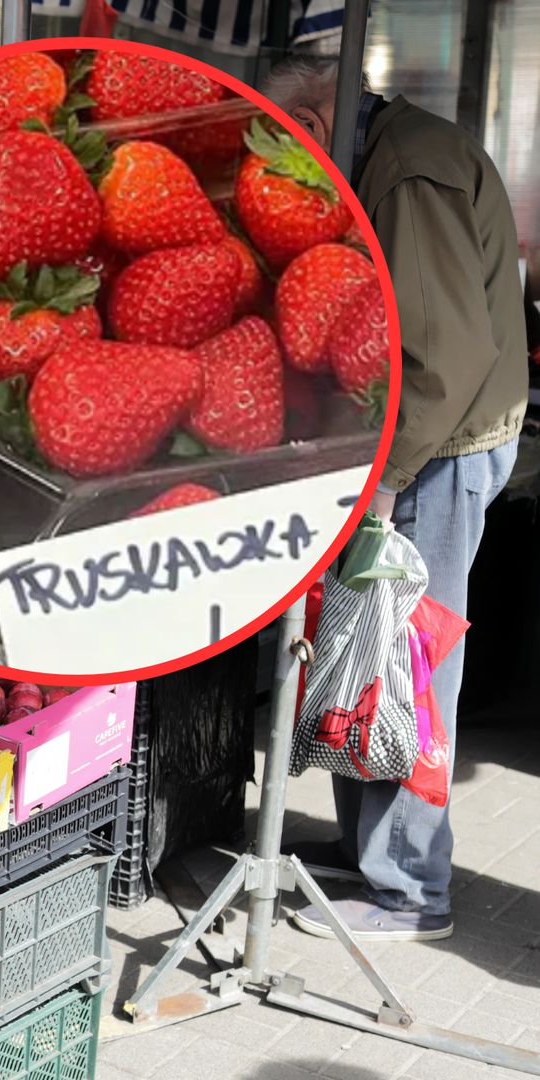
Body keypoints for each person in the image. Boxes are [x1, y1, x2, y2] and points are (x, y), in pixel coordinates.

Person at [262, 54, 526, 941]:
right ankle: (371, 850)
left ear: (318, 111)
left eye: (287, 139)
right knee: (365, 650)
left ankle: (409, 887)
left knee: (407, 669)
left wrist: (380, 482)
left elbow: (435, 356)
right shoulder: (395, 151)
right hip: (424, 448)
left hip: (432, 454)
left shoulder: (407, 170)